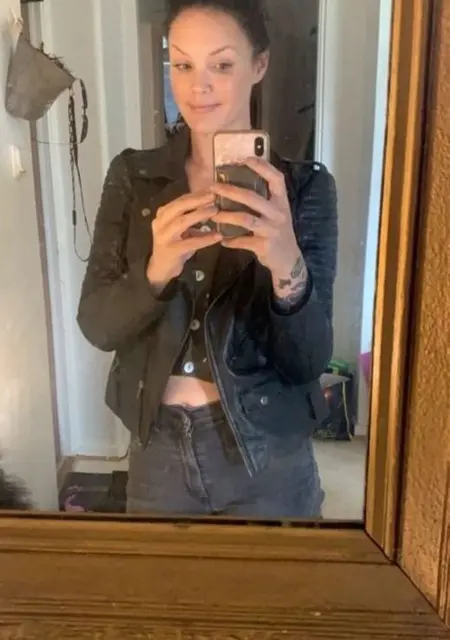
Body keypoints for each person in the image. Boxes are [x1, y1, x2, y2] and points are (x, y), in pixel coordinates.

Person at [77, 0, 338, 518]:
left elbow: (308, 361)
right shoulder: (134, 179)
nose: (199, 85)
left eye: (221, 64)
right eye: (182, 63)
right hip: (158, 454)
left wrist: (285, 264)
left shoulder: (304, 189)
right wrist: (156, 272)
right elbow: (98, 326)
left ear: (259, 65)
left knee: (278, 576)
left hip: (267, 453)